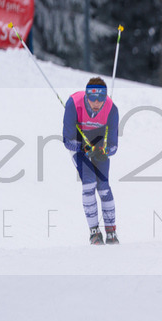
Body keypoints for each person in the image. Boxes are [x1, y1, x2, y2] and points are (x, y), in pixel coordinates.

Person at [62, 77, 120, 244]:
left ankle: (111, 232)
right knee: (88, 183)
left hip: (99, 145)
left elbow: (114, 145)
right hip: (80, 146)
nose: (96, 102)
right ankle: (94, 232)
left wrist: (104, 150)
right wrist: (86, 149)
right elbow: (68, 140)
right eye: (92, 98)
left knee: (103, 187)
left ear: (105, 97)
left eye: (100, 98)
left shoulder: (111, 109)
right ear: (86, 95)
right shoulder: (73, 103)